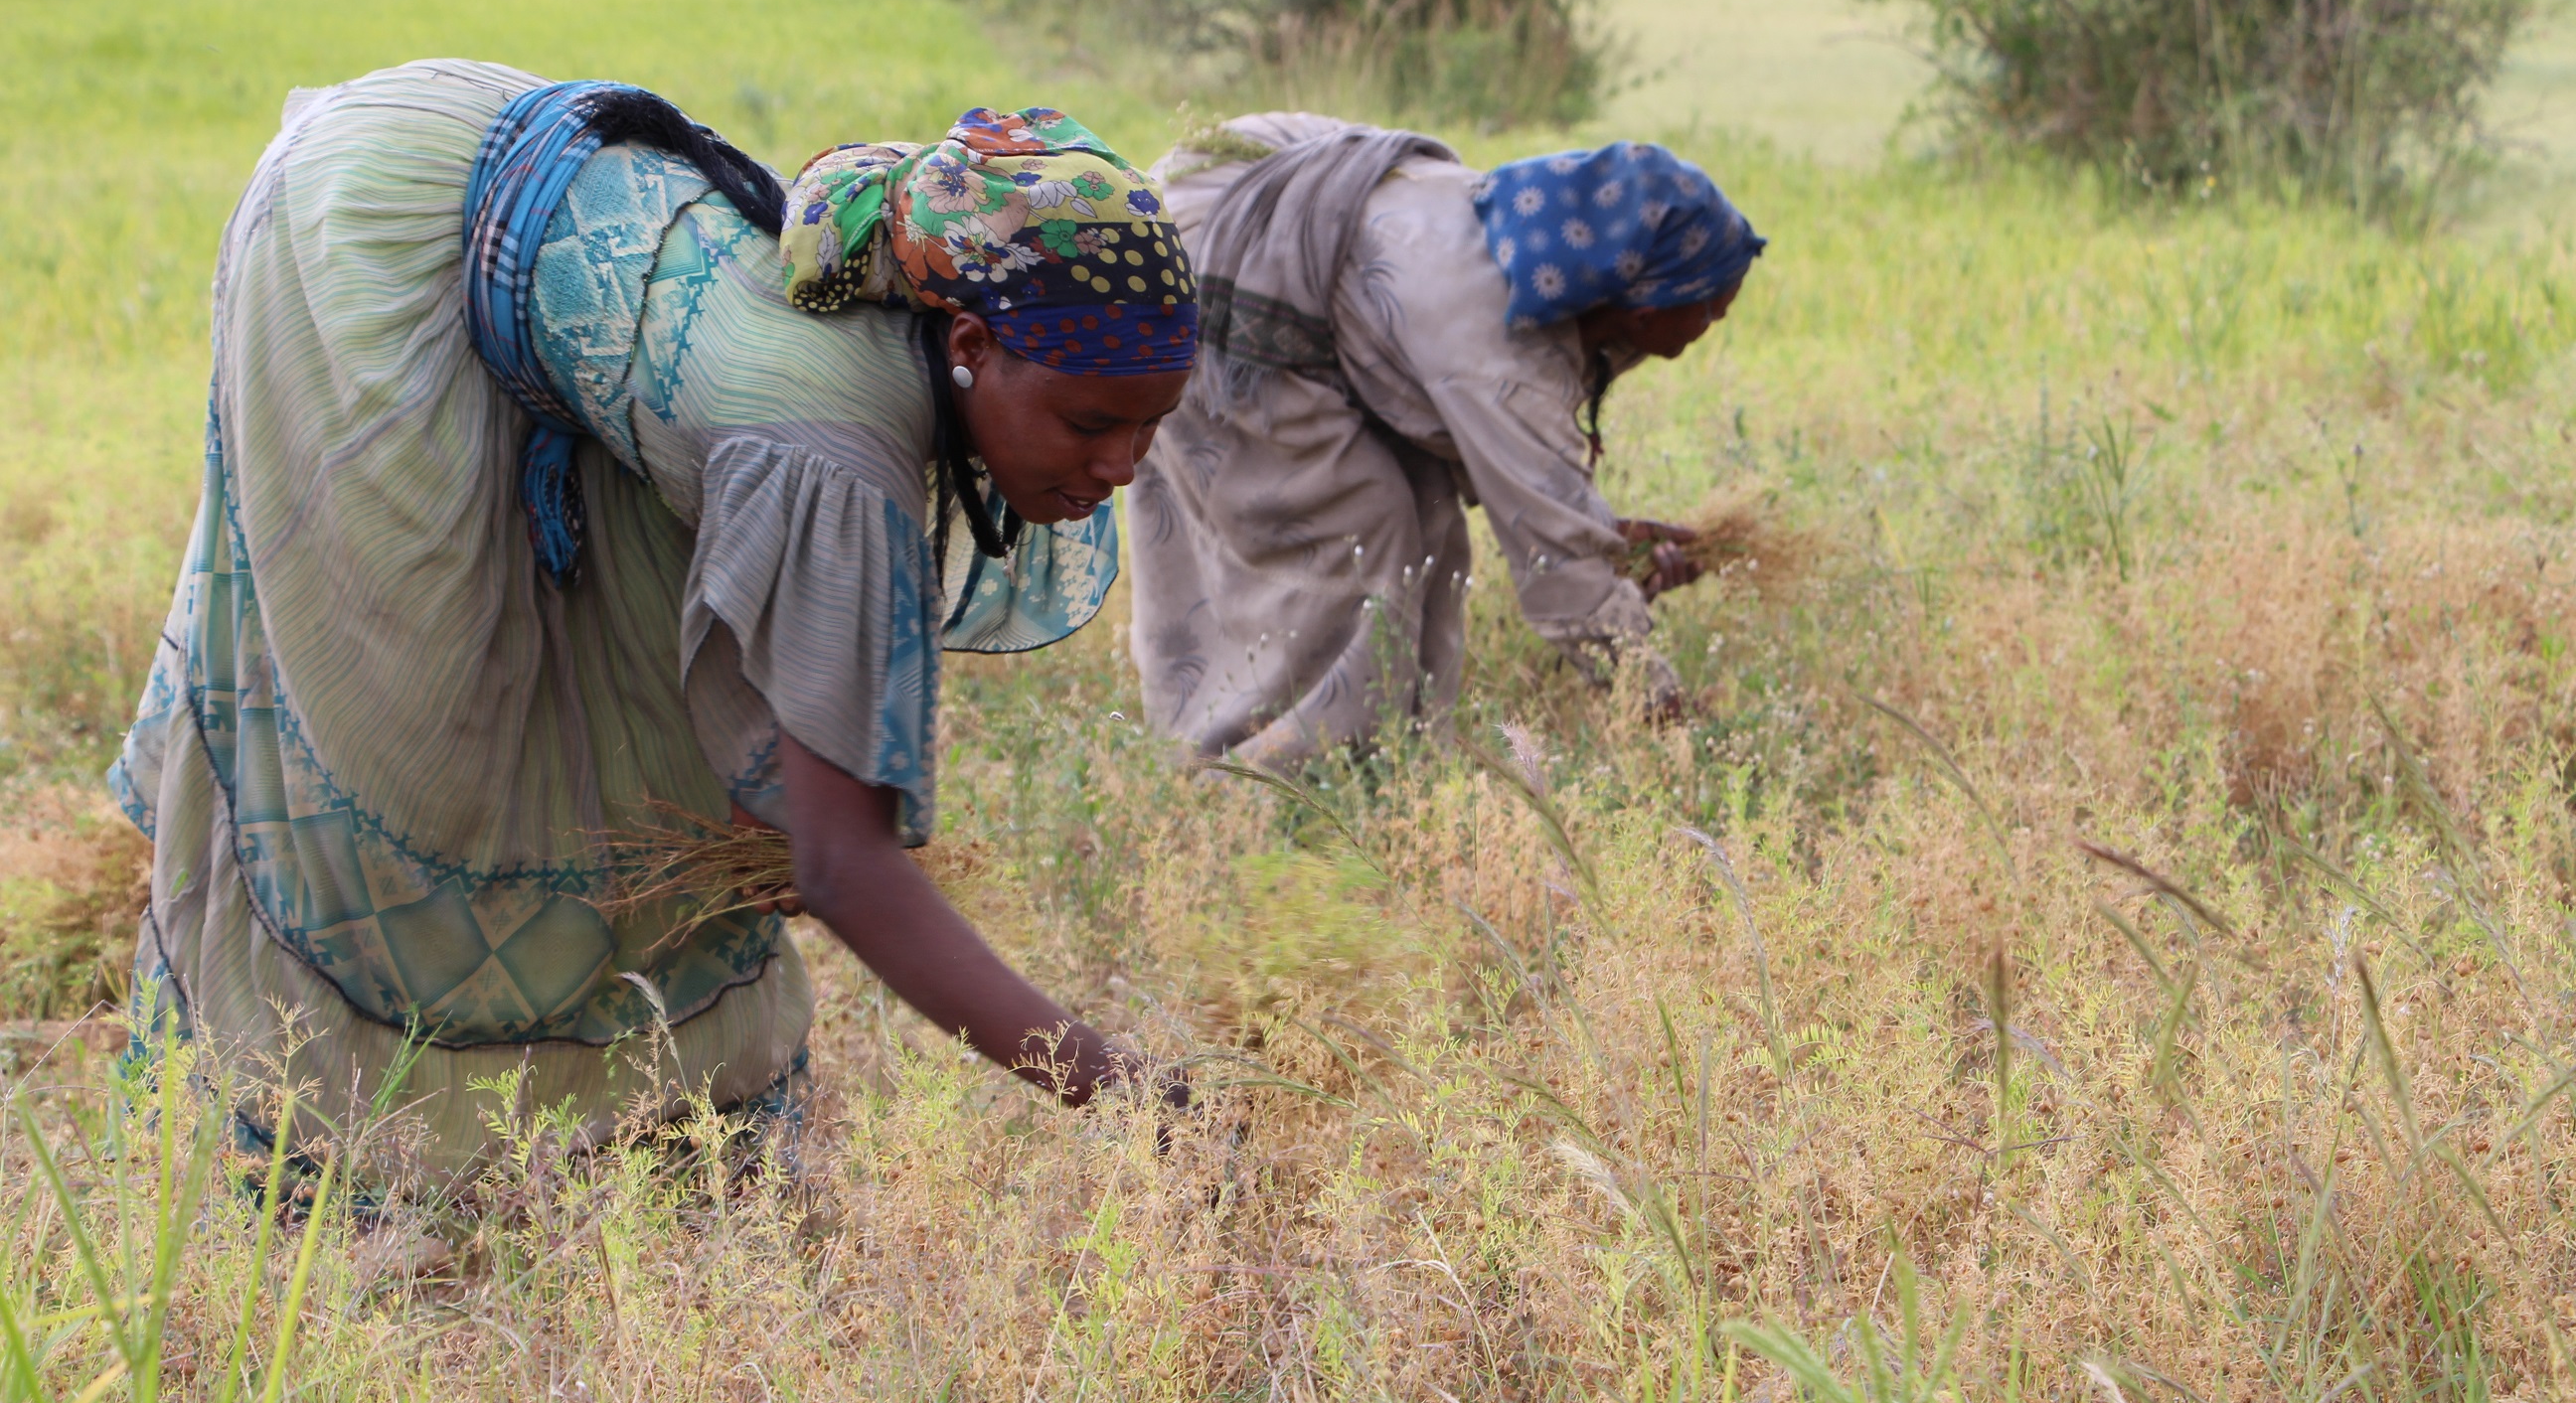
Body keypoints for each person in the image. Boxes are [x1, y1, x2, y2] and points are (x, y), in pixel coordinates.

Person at [108, 60, 1196, 1178]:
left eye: (1152, 427)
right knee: (404, 738)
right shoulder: (823, 445)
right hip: (382, 227)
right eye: (1088, 421)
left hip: (557, 209)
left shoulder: (907, 325)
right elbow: (842, 867)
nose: (1120, 464)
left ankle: (649, 1148)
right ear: (965, 346)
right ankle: (336, 1158)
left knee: (653, 730)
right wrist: (1126, 1094)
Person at [1128, 114, 1762, 765]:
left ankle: (1397, 753)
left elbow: (1527, 480)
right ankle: (1280, 770)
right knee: (1364, 531)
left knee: (1425, 509)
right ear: (1645, 306)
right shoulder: (1498, 351)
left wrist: (1601, 538)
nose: (1716, 323)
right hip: (1210, 251)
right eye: (1711, 308)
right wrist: (1671, 717)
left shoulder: (1539, 255)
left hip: (1265, 203)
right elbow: (1560, 577)